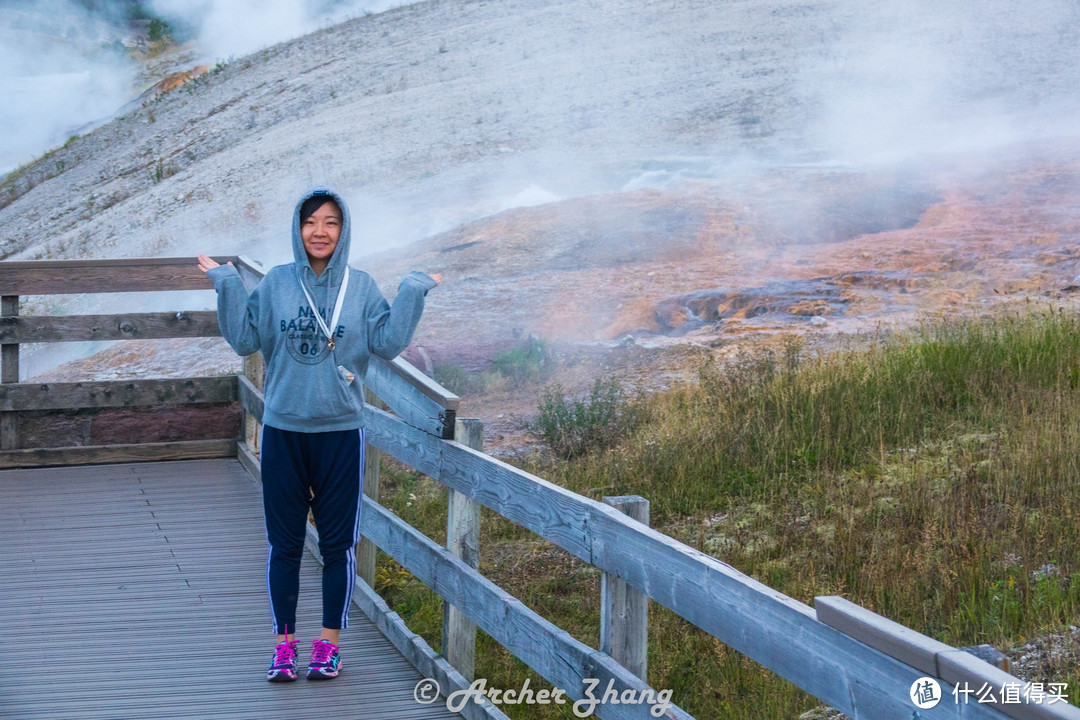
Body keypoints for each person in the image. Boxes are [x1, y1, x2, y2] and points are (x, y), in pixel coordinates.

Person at [198, 187, 441, 682]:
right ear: (297, 228)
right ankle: (283, 645)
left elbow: (389, 343)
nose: (320, 232)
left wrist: (413, 290)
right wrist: (225, 283)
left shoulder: (361, 285)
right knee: (283, 545)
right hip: (284, 430)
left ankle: (328, 644)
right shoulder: (277, 284)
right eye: (311, 222)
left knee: (337, 546)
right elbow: (244, 338)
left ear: (343, 230)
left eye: (330, 222)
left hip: (340, 433)